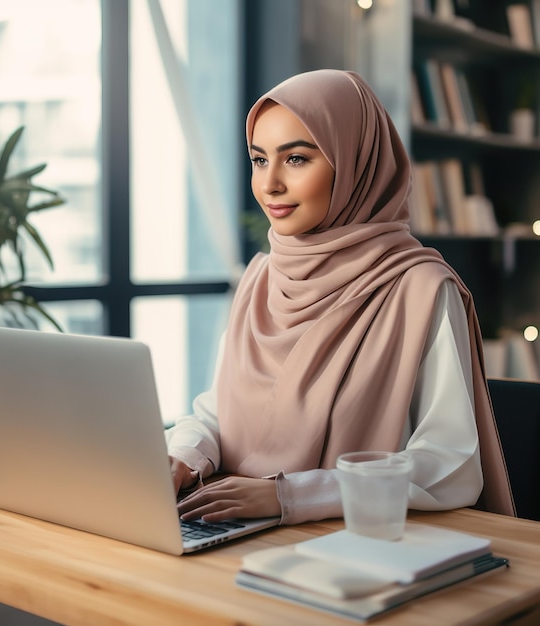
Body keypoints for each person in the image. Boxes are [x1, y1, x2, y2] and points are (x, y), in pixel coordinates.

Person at [166, 69, 515, 526]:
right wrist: (182, 458)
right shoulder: (260, 280)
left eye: (295, 159)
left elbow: (451, 465)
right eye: (258, 159)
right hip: (233, 527)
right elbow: (218, 411)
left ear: (355, 163)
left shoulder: (421, 289)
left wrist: (290, 496)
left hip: (359, 546)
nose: (269, 184)